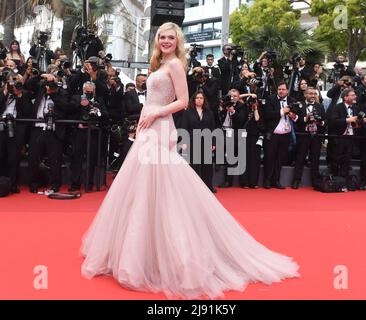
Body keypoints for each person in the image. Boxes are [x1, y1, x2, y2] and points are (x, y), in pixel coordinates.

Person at [81, 22, 299, 299]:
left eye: (171, 37)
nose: (166, 40)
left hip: (159, 129)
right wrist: (145, 118)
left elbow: (183, 101)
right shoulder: (159, 65)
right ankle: (138, 254)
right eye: (162, 36)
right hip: (149, 128)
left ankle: (168, 259)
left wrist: (154, 113)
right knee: (139, 190)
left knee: (162, 191)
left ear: (178, 41)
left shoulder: (174, 66)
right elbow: (155, 99)